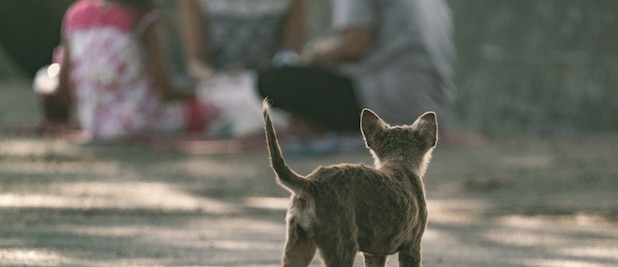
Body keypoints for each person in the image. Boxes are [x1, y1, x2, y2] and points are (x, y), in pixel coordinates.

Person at [257, 0, 455, 142]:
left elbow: (354, 45)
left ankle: (314, 124)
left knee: (273, 80)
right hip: (431, 109)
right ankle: (313, 123)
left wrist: (313, 56)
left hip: (389, 106)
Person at [42, 0, 216, 140]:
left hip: (93, 124)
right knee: (211, 109)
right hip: (139, 123)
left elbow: (63, 89)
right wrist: (204, 92)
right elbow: (165, 91)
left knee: (42, 77)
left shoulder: (75, 15)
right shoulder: (144, 19)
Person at [179, 0, 308, 79]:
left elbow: (291, 54)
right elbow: (196, 63)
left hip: (271, 89)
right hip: (221, 92)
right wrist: (216, 78)